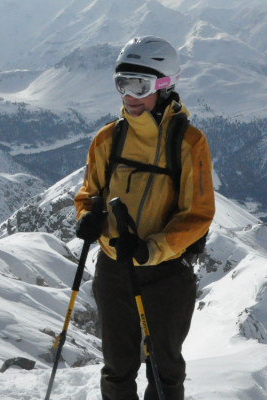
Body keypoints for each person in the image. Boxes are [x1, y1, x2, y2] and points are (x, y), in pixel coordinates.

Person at [73, 36, 215, 400]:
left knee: (164, 368)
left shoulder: (188, 143)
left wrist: (152, 250)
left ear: (165, 86)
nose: (129, 96)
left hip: (165, 273)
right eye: (123, 84)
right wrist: (88, 216)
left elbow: (197, 214)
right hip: (114, 266)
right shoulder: (108, 138)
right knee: (117, 367)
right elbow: (89, 193)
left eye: (140, 85)